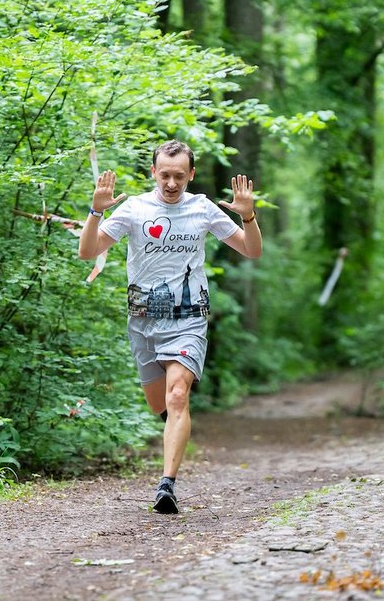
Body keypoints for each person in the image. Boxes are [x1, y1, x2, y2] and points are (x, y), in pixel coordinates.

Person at [78, 140, 262, 514]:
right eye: (165, 175)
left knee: (178, 396)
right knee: (159, 403)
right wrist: (95, 212)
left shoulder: (202, 208)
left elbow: (251, 250)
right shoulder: (135, 209)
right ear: (153, 172)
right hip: (143, 318)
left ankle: (167, 485)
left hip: (189, 316)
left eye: (180, 175)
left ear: (191, 175)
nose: (172, 183)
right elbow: (88, 251)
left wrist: (248, 217)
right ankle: (175, 427)